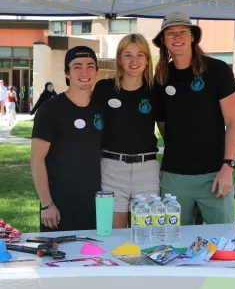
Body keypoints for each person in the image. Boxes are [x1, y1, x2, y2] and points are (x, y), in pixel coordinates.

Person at [153, 12, 235, 226]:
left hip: (214, 174)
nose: (177, 37)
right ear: (164, 41)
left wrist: (228, 166)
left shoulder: (217, 70)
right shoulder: (161, 77)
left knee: (224, 242)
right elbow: (163, 123)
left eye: (183, 32)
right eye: (170, 33)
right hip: (174, 177)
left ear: (193, 36)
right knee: (173, 245)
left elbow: (233, 121)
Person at [30, 46, 104, 232]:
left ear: (96, 71)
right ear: (67, 73)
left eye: (90, 66)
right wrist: (47, 204)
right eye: (77, 66)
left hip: (94, 205)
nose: (84, 72)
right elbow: (36, 158)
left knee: (94, 259)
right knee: (59, 260)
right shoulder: (50, 109)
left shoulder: (101, 108)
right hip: (58, 207)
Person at [91, 34, 160, 228]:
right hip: (112, 167)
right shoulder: (104, 88)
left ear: (147, 60)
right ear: (119, 60)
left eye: (140, 54)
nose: (134, 60)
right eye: (128, 54)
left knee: (146, 235)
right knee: (114, 234)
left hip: (146, 170)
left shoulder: (155, 91)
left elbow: (166, 130)